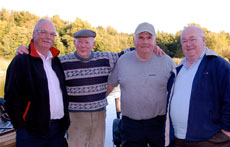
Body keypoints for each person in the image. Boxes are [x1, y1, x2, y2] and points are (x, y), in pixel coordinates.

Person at [16, 28, 164, 146]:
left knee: (97, 145)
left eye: (87, 42)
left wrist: (152, 46)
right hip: (75, 116)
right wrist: (26, 50)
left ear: (93, 44)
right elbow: (42, 59)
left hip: (99, 115)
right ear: (74, 43)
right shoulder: (62, 62)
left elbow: (131, 51)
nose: (83, 45)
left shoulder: (106, 58)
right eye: (79, 42)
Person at [164, 26, 230, 147]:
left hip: (210, 140)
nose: (188, 44)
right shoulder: (178, 70)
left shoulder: (219, 66)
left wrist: (226, 131)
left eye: (192, 39)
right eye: (184, 41)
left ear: (203, 40)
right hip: (179, 139)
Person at [4, 19, 70, 147]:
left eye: (52, 34)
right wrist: (20, 127)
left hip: (57, 130)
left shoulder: (56, 61)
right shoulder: (21, 60)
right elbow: (10, 97)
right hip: (31, 133)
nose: (48, 37)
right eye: (43, 32)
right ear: (34, 34)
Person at [108, 22, 176, 147]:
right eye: (141, 37)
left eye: (149, 38)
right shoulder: (123, 61)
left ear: (155, 41)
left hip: (159, 123)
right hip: (130, 125)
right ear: (134, 40)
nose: (145, 42)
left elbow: (177, 93)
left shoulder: (167, 62)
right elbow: (110, 85)